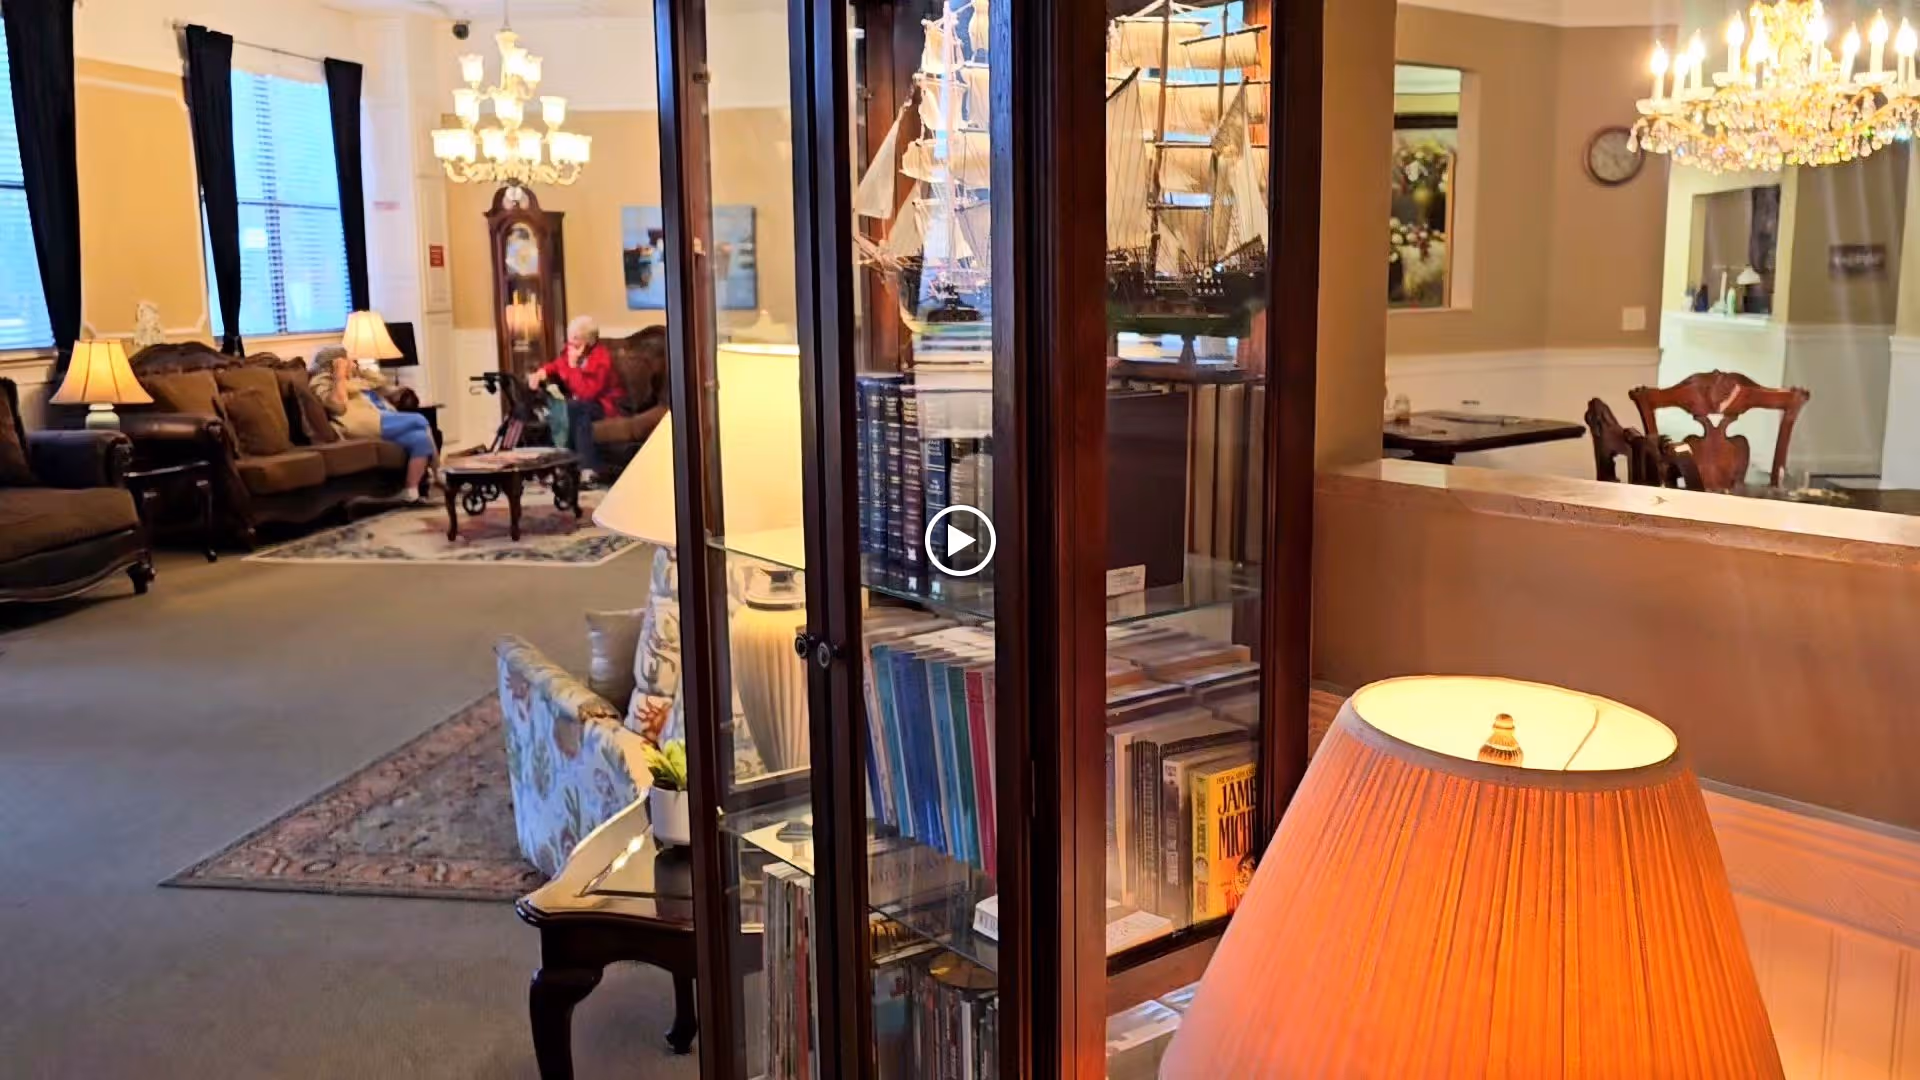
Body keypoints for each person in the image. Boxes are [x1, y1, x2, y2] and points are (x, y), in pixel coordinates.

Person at [308, 345, 439, 502]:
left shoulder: (354, 379)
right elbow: (338, 405)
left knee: (419, 438)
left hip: (382, 418)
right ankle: (439, 473)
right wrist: (339, 375)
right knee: (419, 419)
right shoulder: (321, 381)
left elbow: (380, 381)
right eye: (348, 360)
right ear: (336, 363)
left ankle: (410, 491)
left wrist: (358, 370)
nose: (352, 362)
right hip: (364, 425)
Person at [531, 315, 626, 485]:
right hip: (580, 407)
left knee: (574, 409)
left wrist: (574, 367)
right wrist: (541, 372)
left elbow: (587, 394)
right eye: (570, 337)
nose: (570, 342)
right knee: (569, 413)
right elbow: (556, 365)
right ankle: (575, 468)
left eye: (575, 338)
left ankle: (576, 467)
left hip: (604, 405)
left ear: (588, 341)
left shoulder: (601, 359)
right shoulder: (571, 351)